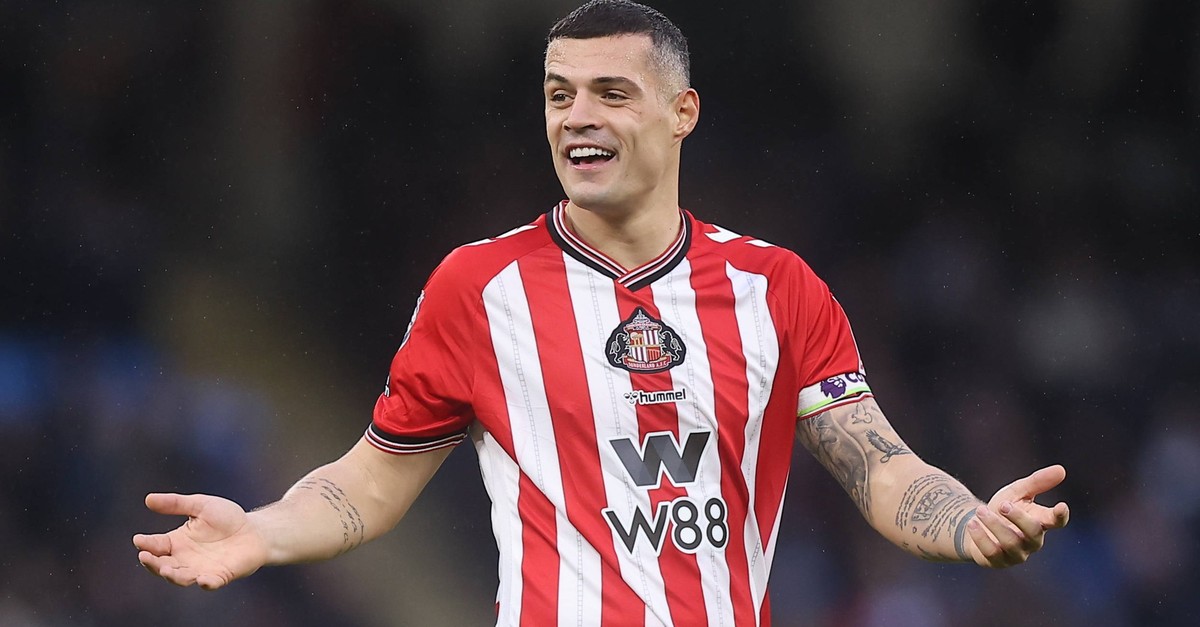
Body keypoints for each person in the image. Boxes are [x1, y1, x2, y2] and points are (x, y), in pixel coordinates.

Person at [134, 1, 1071, 624]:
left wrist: (968, 522)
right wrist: (262, 529)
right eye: (559, 95)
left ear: (682, 111)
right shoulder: (478, 289)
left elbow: (880, 468)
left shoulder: (777, 288)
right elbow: (370, 484)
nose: (576, 116)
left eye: (610, 93)